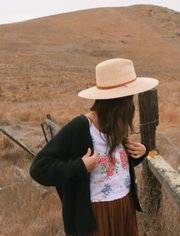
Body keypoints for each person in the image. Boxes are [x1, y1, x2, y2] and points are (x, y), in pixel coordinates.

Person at [30, 58, 159, 236]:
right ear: (118, 102)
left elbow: (113, 168)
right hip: (94, 216)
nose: (132, 104)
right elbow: (39, 168)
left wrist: (142, 153)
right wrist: (80, 167)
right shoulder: (80, 127)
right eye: (129, 98)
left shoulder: (115, 126)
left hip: (124, 208)